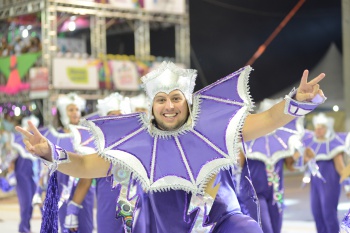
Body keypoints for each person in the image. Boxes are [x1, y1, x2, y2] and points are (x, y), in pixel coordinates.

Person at [17, 61, 325, 233]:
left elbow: (268, 119)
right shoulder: (136, 143)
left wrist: (297, 100)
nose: (169, 106)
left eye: (176, 98)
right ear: (151, 106)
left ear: (187, 102)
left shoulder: (214, 127)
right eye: (161, 100)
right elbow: (85, 166)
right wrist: (49, 153)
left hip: (221, 223)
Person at [238, 98, 306, 233]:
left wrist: (300, 155)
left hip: (276, 193)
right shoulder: (249, 137)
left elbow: (291, 166)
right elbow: (239, 165)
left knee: (276, 229)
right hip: (254, 192)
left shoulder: (283, 140)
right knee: (265, 229)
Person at [53, 93, 94, 233]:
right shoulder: (56, 135)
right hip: (62, 185)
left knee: (85, 225)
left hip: (84, 183)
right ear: (63, 112)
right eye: (71, 109)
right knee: (66, 226)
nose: (75, 112)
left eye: (77, 109)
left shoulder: (88, 133)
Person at [302, 113, 349, 233]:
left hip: (330, 182)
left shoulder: (333, 145)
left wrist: (347, 184)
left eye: (321, 127)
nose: (318, 130)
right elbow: (304, 165)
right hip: (316, 183)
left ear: (327, 129)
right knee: (316, 212)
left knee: (328, 213)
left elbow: (340, 168)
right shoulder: (311, 145)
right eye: (317, 127)